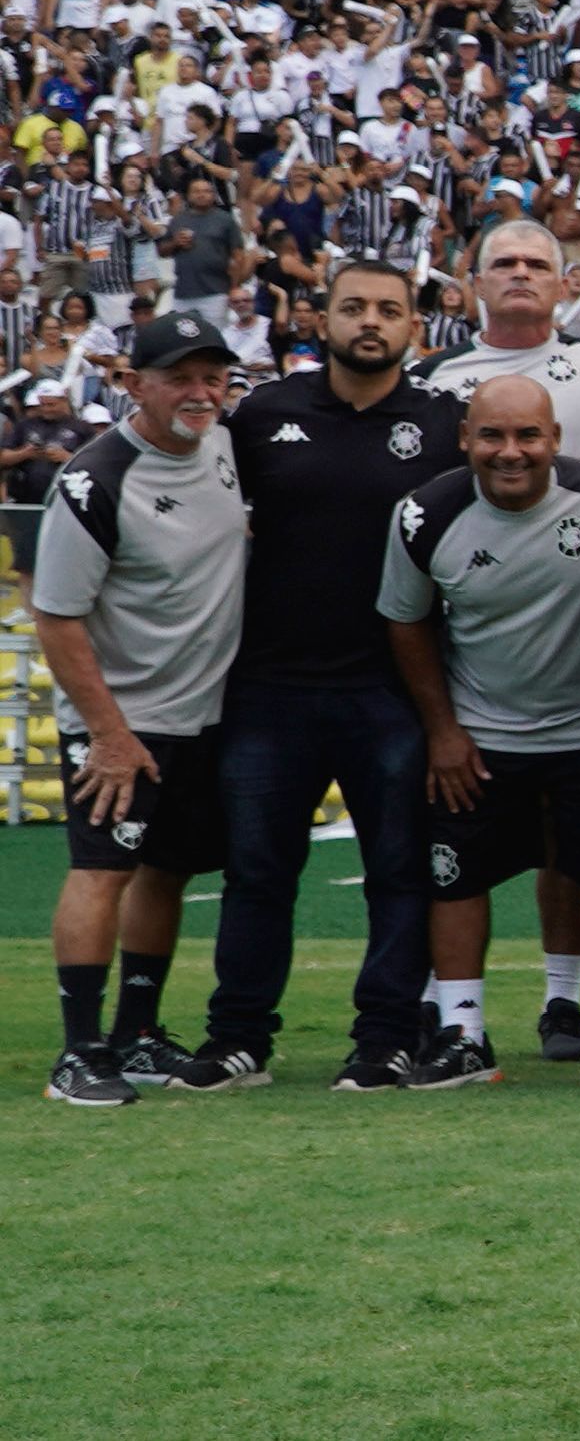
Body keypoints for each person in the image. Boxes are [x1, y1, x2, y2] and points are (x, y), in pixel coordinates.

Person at [216, 260, 467, 1091]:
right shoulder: (264, 413)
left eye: (388, 311)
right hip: (270, 687)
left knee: (398, 874)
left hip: (392, 692)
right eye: (353, 307)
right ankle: (239, 1038)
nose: (370, 322)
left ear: (413, 329)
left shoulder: (443, 421)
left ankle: (387, 1038)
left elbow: (520, 483)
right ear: (320, 318)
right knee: (257, 874)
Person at [382, 375, 580, 1086]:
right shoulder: (425, 515)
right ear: (465, 439)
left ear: (556, 439)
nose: (510, 452)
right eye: (492, 435)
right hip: (482, 734)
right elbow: (405, 620)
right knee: (455, 878)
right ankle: (462, 1033)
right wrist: (443, 729)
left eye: (528, 436)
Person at [36, 312, 251, 1106]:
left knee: (167, 870)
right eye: (180, 378)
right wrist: (110, 734)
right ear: (134, 384)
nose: (200, 394)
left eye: (212, 377)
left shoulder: (224, 444)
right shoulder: (96, 480)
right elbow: (56, 617)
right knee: (103, 870)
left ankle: (135, 1035)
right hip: (125, 722)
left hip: (204, 716)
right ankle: (78, 1052)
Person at [413, 217, 580, 460]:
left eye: (538, 265)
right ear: (480, 286)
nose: (521, 273)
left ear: (562, 287)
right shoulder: (430, 377)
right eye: (505, 264)